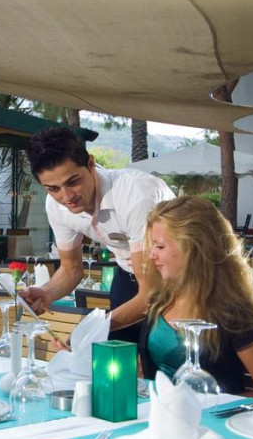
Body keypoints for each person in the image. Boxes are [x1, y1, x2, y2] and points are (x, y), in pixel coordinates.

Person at [21, 126, 175, 342]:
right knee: (117, 356)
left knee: (162, 357)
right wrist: (47, 292)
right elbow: (71, 269)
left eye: (73, 182)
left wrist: (90, 330)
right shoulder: (56, 206)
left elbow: (151, 293)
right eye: (53, 189)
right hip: (127, 277)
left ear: (91, 164)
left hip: (176, 280)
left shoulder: (136, 196)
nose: (67, 197)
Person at [140, 196, 253, 397]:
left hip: (213, 415)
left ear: (194, 247)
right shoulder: (161, 301)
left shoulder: (233, 313)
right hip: (158, 412)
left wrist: (210, 405)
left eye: (160, 246)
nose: (152, 255)